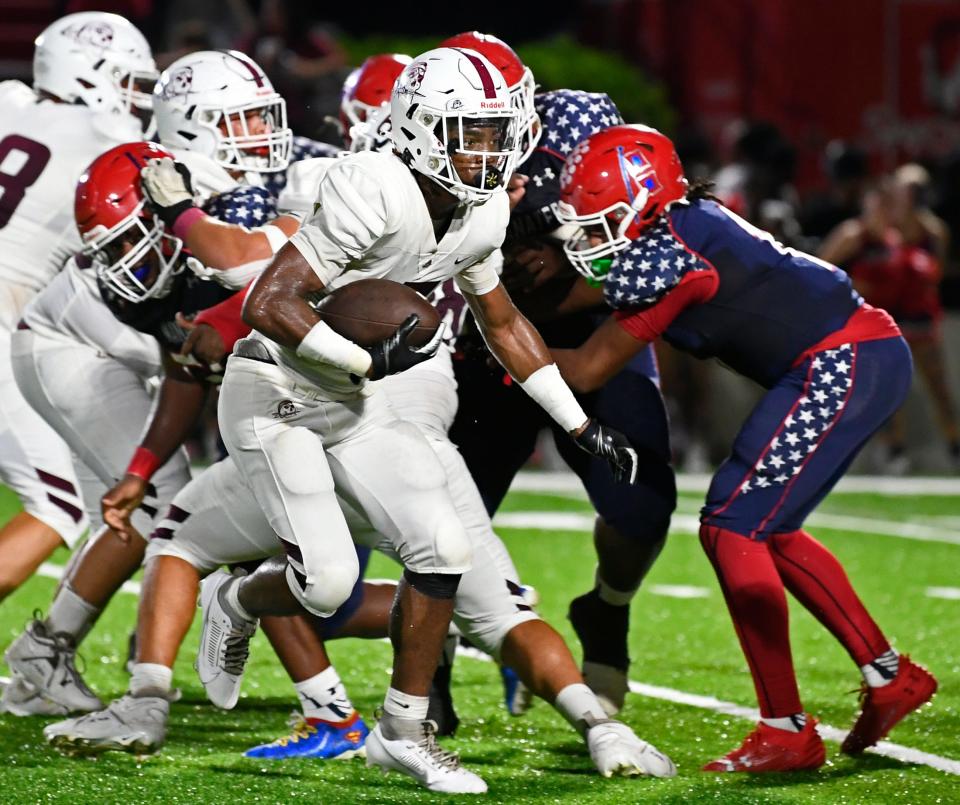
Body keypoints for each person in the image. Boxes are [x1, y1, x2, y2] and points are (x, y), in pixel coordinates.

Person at [202, 47, 660, 794]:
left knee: (442, 545)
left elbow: (504, 322)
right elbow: (267, 304)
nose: (490, 150)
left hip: (358, 399)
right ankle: (236, 598)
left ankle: (403, 731)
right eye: (470, 131)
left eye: (498, 131)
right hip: (276, 391)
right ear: (417, 126)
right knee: (326, 585)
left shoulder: (483, 209)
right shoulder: (371, 185)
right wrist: (360, 361)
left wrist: (579, 424)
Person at [550, 124, 938, 772]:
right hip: (849, 354)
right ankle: (888, 674)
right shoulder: (678, 227)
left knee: (731, 525)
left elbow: (589, 367)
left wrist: (497, 343)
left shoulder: (671, 254)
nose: (590, 239)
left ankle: (786, 728)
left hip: (843, 356)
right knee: (766, 529)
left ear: (643, 201)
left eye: (601, 222)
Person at [437, 31, 676, 718]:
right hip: (485, 342)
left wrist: (561, 278)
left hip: (584, 338)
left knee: (641, 508)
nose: (482, 130)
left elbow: (649, 252)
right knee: (446, 523)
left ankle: (608, 609)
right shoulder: (424, 149)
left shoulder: (579, 127)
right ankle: (433, 663)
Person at [0, 10, 155, 623]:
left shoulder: (8, 104)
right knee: (56, 505)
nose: (136, 101)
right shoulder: (105, 140)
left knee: (95, 499)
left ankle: (48, 659)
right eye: (131, 83)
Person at [820, 166, 960, 471]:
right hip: (882, 322)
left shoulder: (930, 233)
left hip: (920, 320)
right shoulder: (867, 233)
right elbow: (823, 266)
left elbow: (934, 275)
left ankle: (954, 447)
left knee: (938, 386)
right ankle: (891, 451)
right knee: (884, 390)